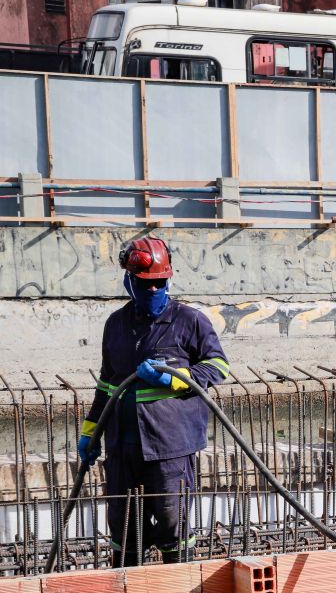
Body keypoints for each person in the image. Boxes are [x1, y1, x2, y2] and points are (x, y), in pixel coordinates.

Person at [78, 236, 231, 568]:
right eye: (145, 283)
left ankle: (179, 588)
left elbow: (218, 366)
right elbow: (106, 385)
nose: (153, 289)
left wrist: (172, 378)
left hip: (169, 448)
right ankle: (127, 589)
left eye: (159, 283)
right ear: (129, 281)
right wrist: (91, 432)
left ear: (169, 280)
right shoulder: (116, 324)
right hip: (122, 447)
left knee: (172, 523)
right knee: (124, 528)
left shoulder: (189, 320)